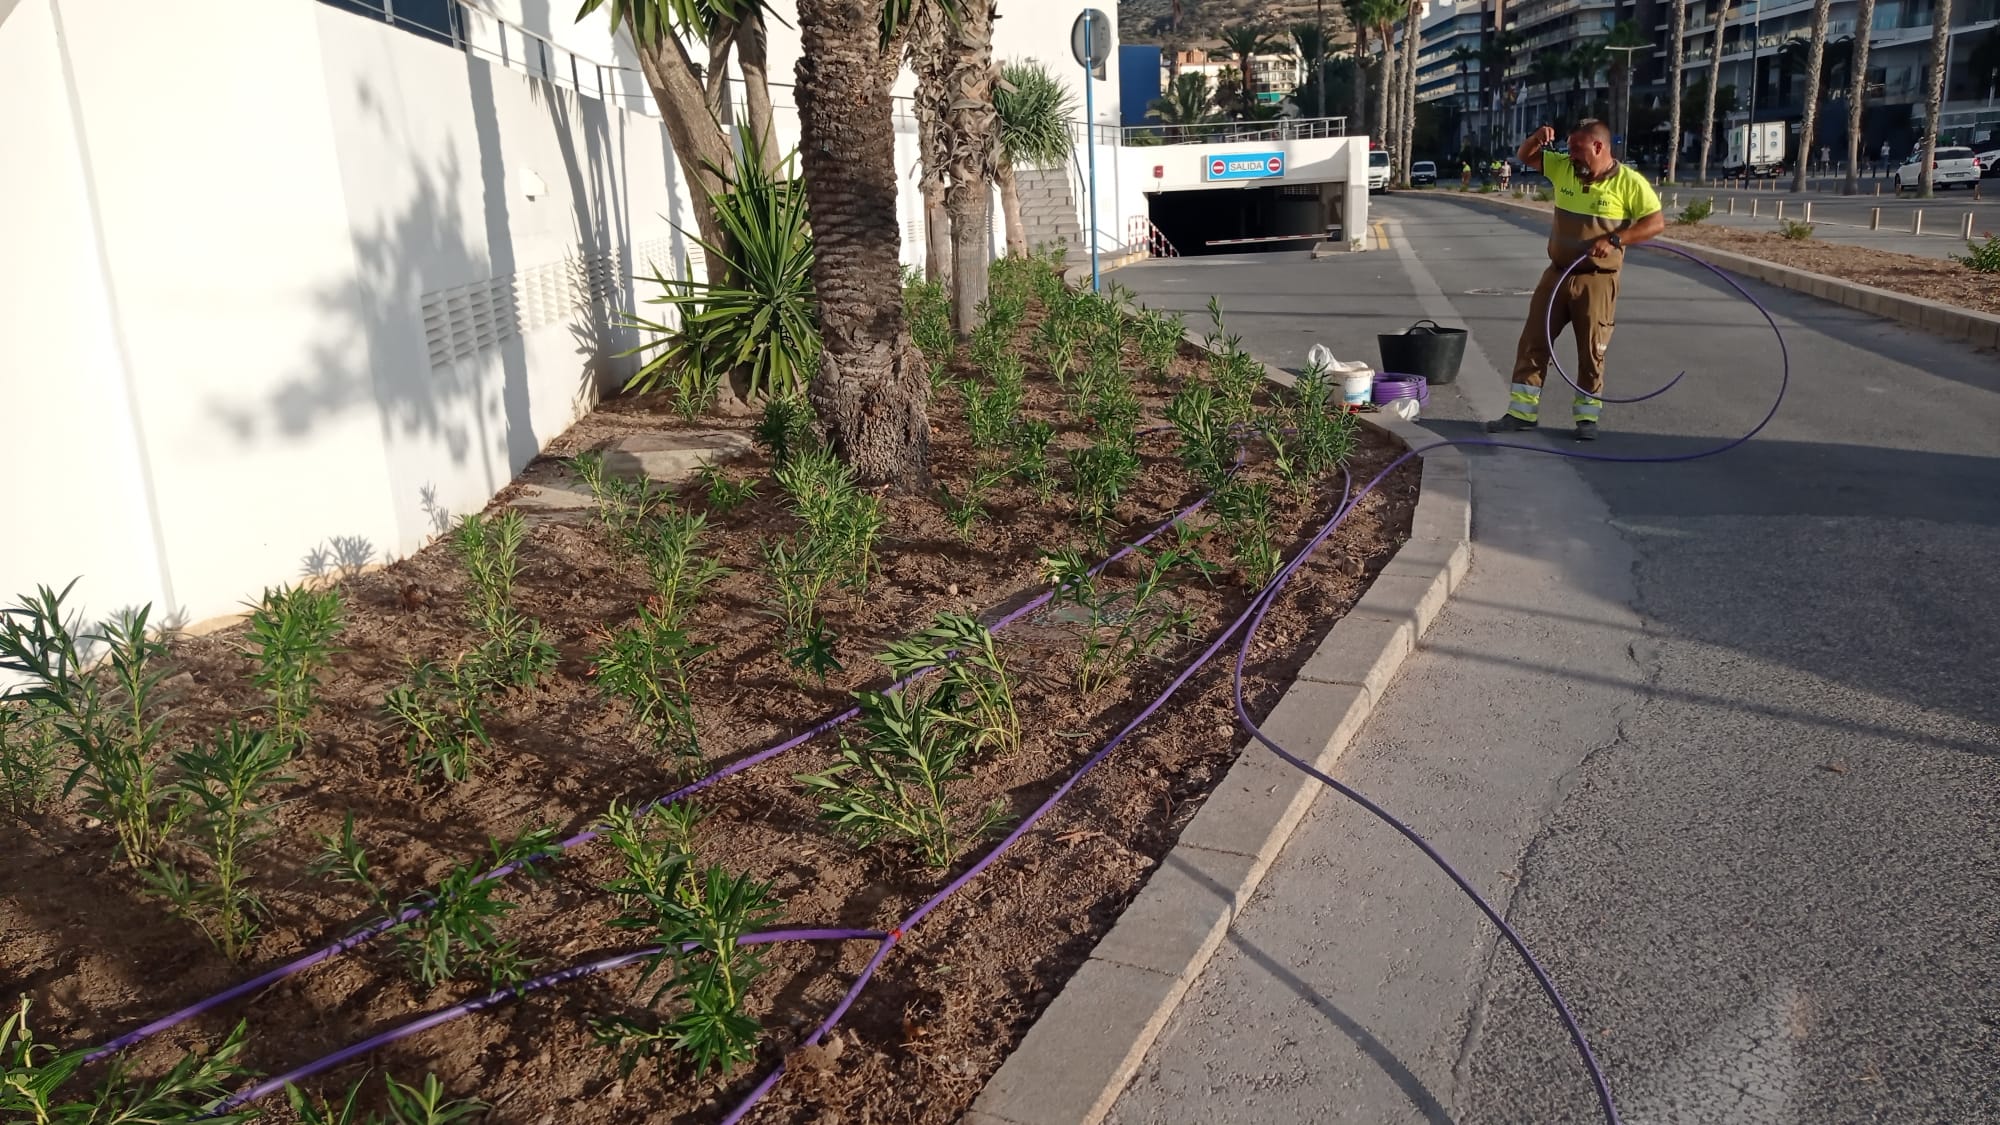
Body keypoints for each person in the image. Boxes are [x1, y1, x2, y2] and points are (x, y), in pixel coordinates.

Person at [1488, 120, 1666, 441]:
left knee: (1591, 349)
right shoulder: (1564, 169)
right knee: (1534, 340)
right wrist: (1536, 137)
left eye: (1577, 150)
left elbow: (1655, 223)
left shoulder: (1629, 182)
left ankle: (1587, 417)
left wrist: (1616, 239)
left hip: (1597, 280)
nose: (1571, 156)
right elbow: (1525, 156)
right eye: (1569, 149)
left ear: (1598, 147)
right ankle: (1521, 413)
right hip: (1557, 273)